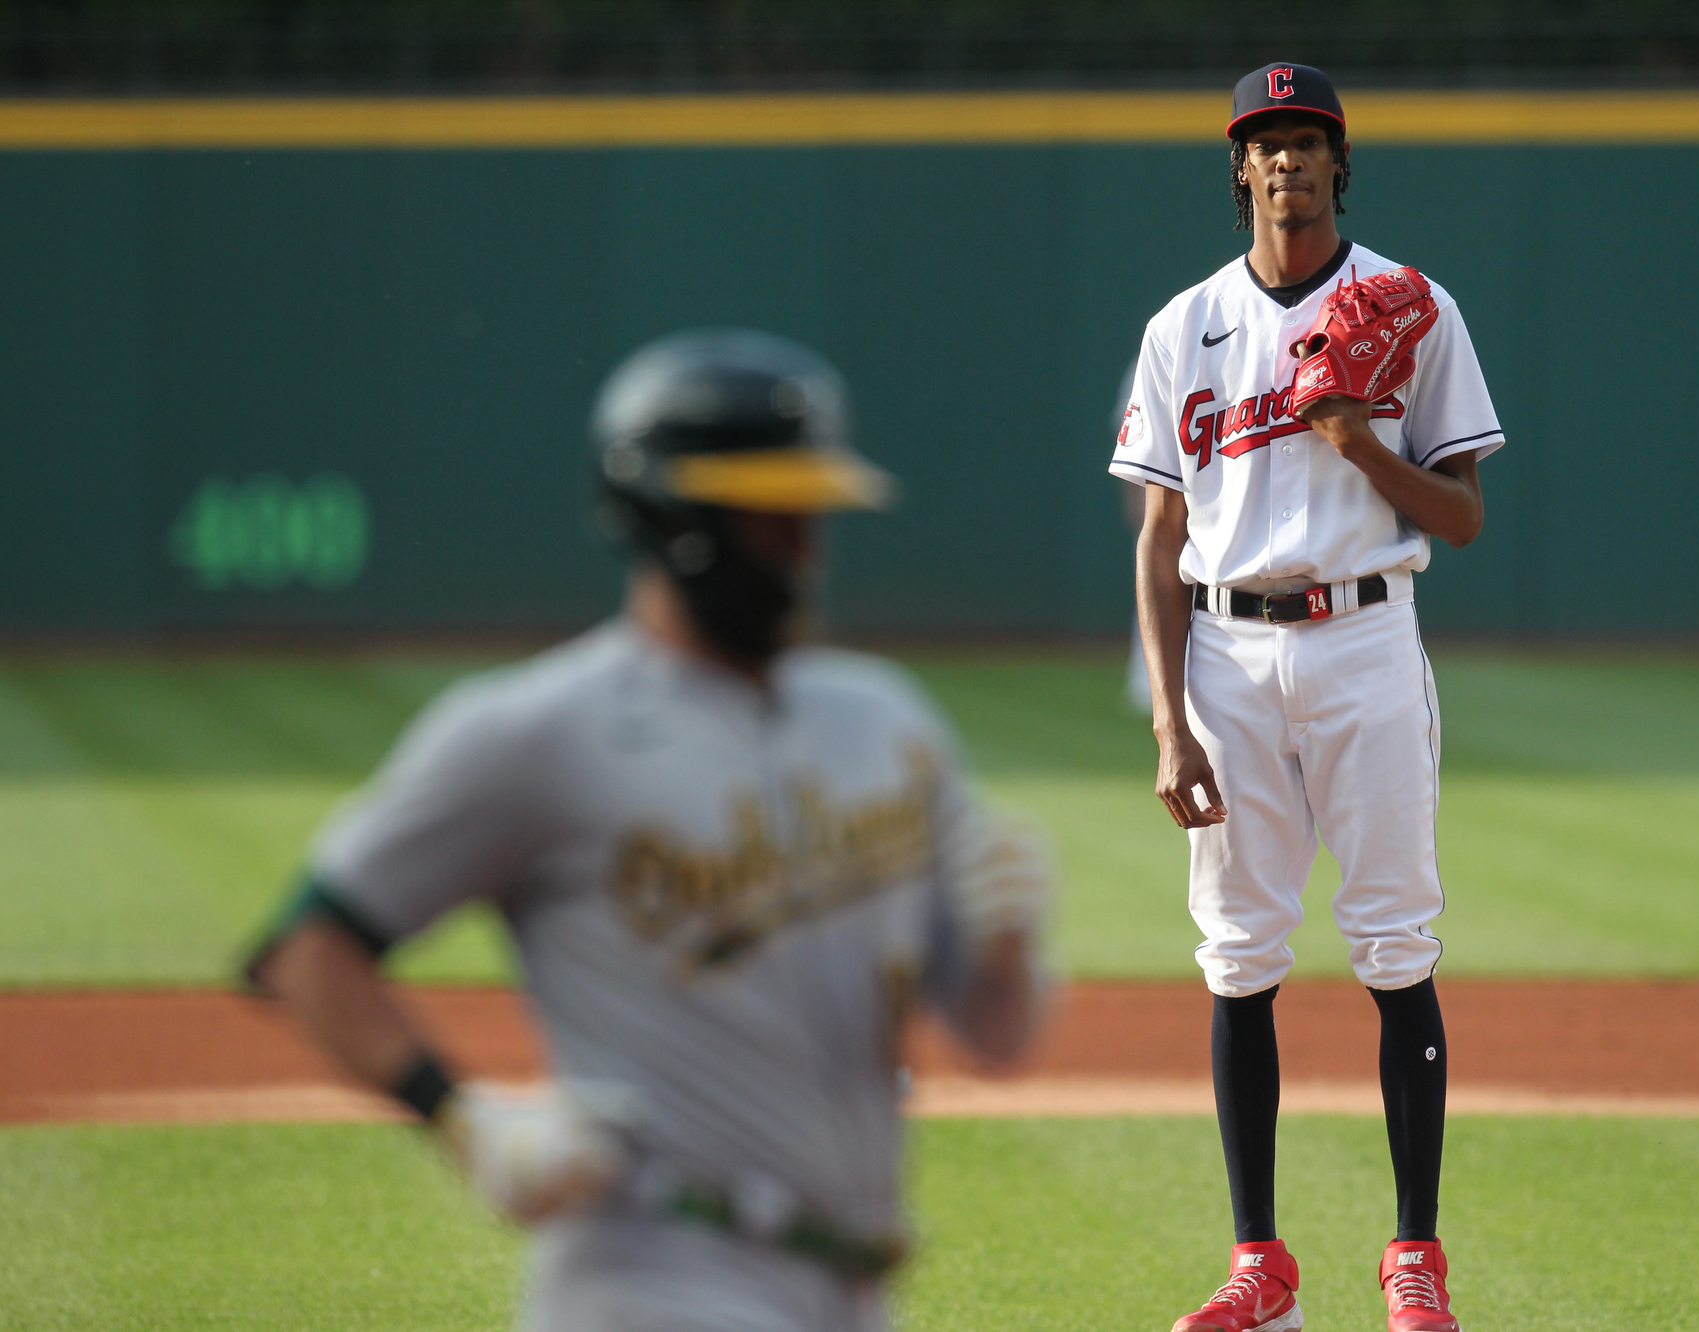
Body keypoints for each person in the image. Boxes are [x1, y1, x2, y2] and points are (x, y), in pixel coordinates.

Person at [247, 328, 1049, 1332]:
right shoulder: (539, 732)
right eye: (771, 517)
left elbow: (995, 1034)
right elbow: (307, 949)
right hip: (650, 1279)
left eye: (808, 512)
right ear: (671, 516)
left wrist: (1005, 954)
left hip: (849, 1291)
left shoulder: (884, 721)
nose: (803, 546)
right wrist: (467, 1122)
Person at [1109, 64, 1505, 1332]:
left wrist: (1359, 441)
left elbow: (1462, 518)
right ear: (1238, 172)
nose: (1284, 160)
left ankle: (1412, 1260)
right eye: (1263, 143)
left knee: (1394, 942)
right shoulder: (1185, 324)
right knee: (1236, 958)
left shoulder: (1410, 305)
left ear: (1340, 164)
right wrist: (1169, 720)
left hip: (1364, 643)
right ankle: (1258, 1268)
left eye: (1306, 141)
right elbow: (1159, 531)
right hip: (1225, 658)